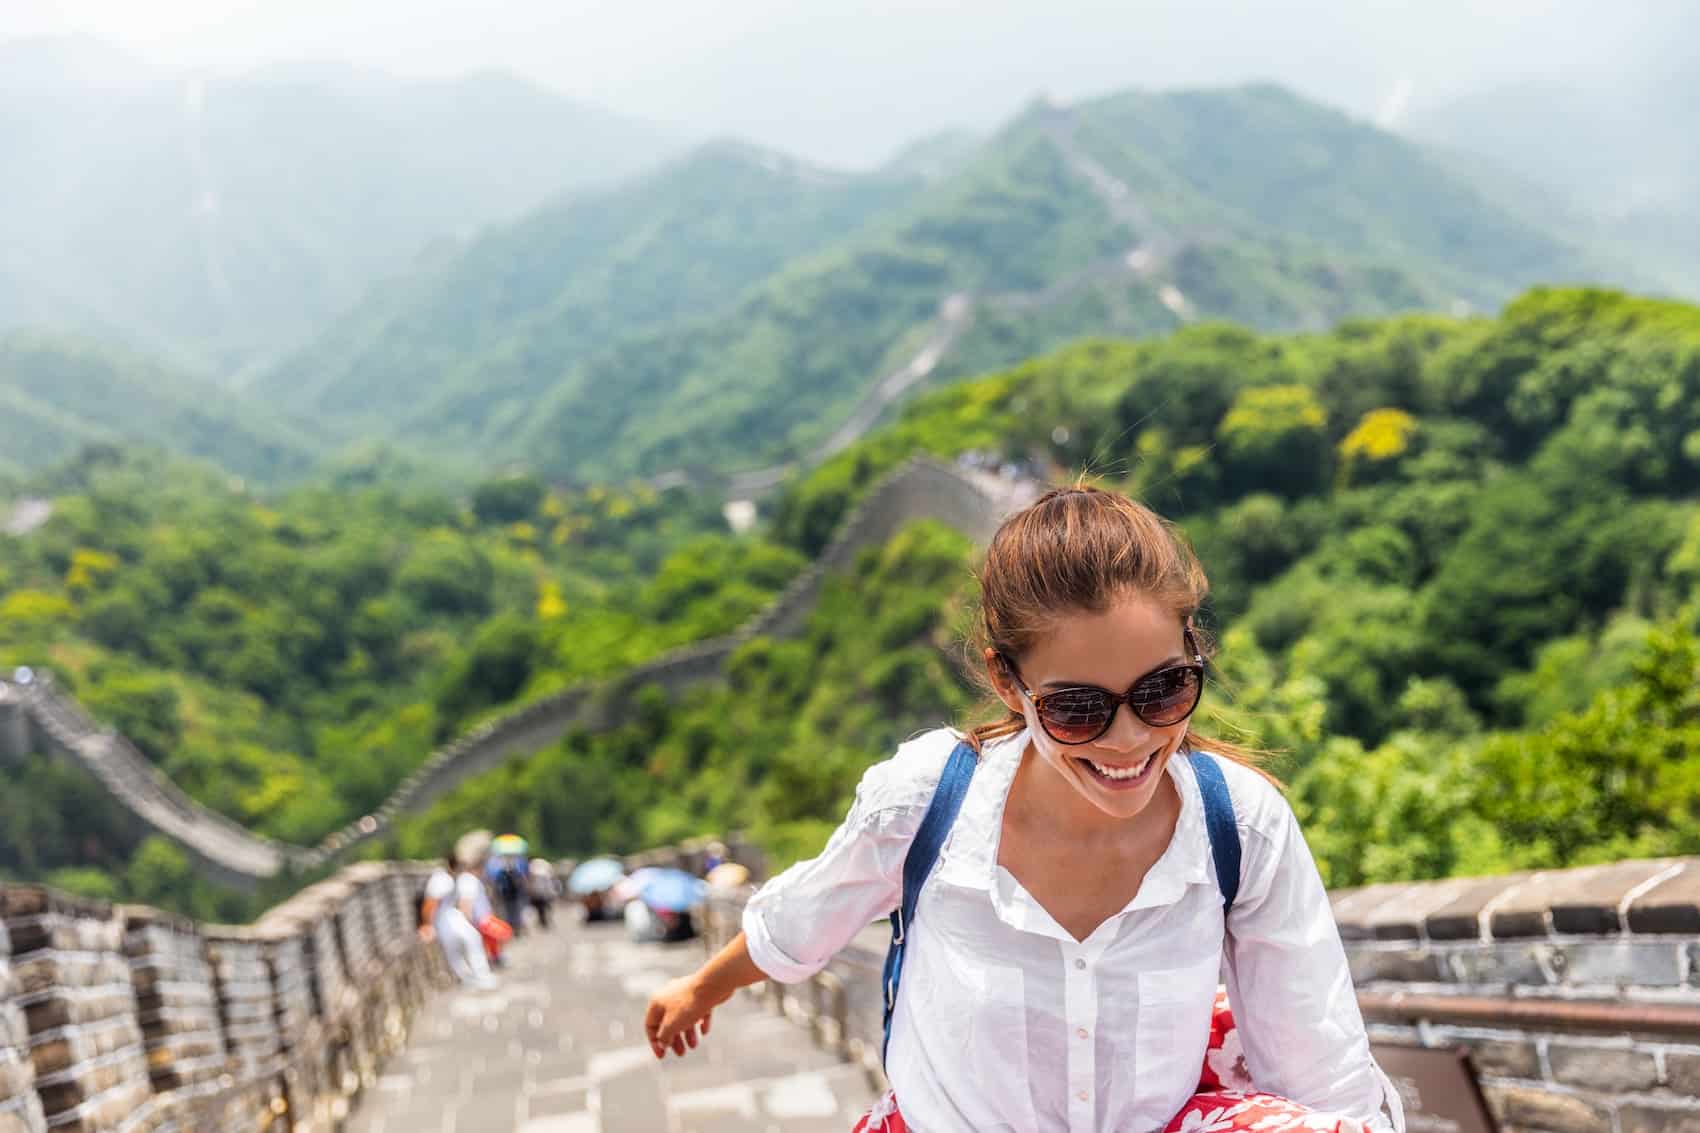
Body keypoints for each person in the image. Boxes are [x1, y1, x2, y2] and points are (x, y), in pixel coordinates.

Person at [644, 484, 1405, 1132]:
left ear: (1194, 655)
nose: (1130, 738)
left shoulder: (1238, 824)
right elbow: (802, 923)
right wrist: (700, 988)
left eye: (1164, 689)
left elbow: (1320, 1065)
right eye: (1079, 708)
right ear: (1009, 682)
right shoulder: (928, 801)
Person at [419, 852, 496, 990]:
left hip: (447, 917)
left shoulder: (446, 878)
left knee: (461, 946)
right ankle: (475, 977)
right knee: (466, 943)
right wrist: (427, 925)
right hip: (444, 919)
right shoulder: (442, 880)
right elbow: (430, 903)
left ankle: (473, 977)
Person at [528, 857, 557, 931]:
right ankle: (544, 921)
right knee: (545, 908)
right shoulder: (545, 871)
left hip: (539, 892)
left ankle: (543, 921)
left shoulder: (534, 870)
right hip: (545, 893)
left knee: (541, 908)